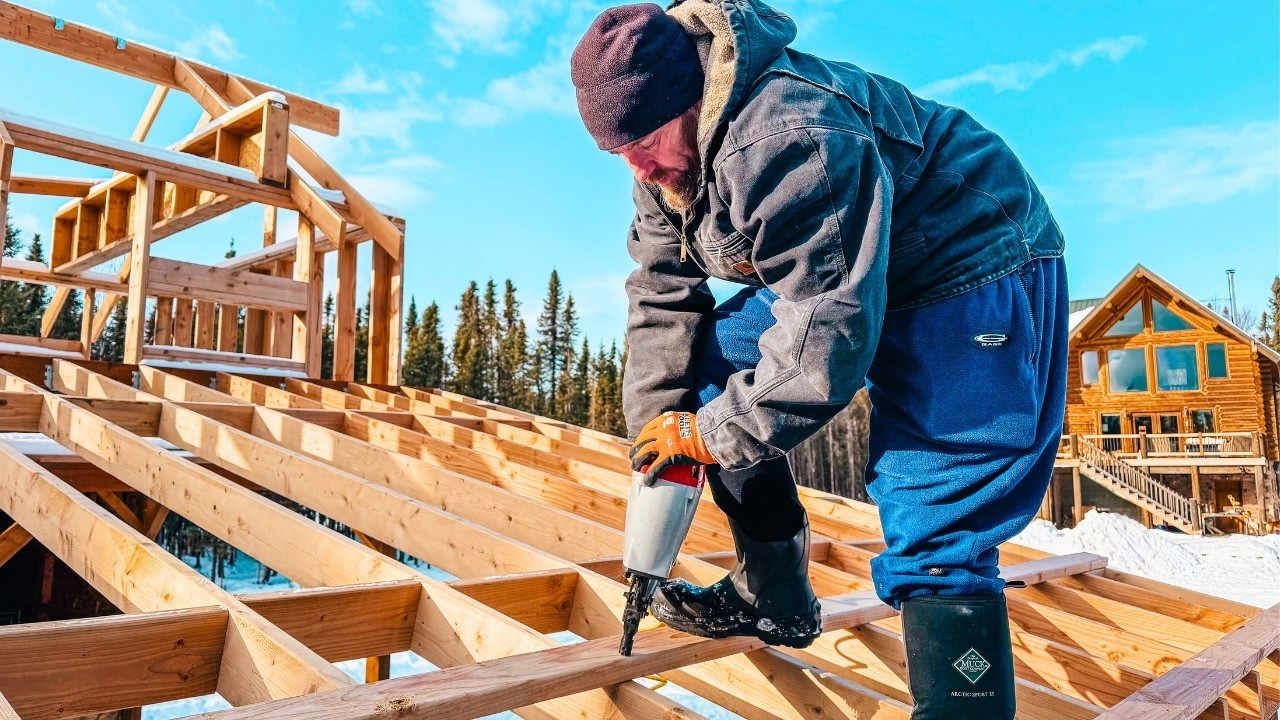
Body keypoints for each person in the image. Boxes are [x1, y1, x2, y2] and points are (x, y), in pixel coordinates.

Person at [570, 1, 1066, 717]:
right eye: (619, 153)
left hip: (968, 258)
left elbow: (827, 335)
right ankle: (773, 595)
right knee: (706, 383)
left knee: (937, 511)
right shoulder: (656, 163)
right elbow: (660, 294)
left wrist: (709, 437)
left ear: (692, 101)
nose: (639, 166)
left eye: (645, 140)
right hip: (843, 269)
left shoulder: (787, 134)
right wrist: (664, 435)